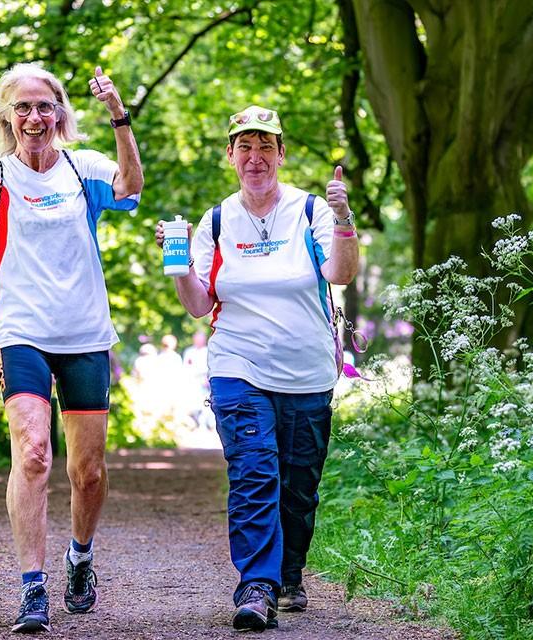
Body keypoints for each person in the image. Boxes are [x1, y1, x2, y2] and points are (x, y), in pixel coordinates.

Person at [0, 51, 143, 633]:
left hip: (84, 333)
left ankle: (80, 555)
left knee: (89, 471)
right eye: (22, 107)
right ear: (7, 116)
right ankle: (32, 587)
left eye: (44, 107)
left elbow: (130, 185)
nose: (33, 117)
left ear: (59, 113)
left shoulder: (85, 168)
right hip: (21, 329)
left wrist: (119, 115)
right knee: (31, 451)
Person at [155, 105, 359, 631]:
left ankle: (289, 574)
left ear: (281, 154)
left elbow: (340, 272)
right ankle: (256, 585)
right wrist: (177, 265)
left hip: (308, 371)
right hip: (237, 365)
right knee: (253, 475)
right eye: (245, 146)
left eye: (266, 146)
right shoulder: (217, 221)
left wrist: (342, 220)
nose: (255, 157)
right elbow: (200, 305)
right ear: (230, 155)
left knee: (298, 486)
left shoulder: (310, 209)